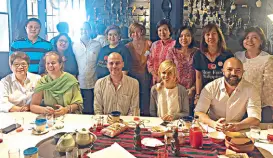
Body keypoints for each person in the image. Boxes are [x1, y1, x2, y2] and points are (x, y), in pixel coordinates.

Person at [194, 58, 261, 132]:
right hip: (213, 129)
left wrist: (237, 126)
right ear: (223, 71)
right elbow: (198, 113)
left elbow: (255, 119)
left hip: (238, 130)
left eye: (238, 70)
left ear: (243, 72)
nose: (233, 73)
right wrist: (213, 124)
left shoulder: (251, 89)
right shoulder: (210, 87)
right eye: (229, 69)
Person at [235, 27, 273, 123]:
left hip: (261, 107)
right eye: (247, 37)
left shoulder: (267, 59)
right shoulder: (237, 56)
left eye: (254, 37)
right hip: (239, 105)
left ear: (261, 41)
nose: (249, 40)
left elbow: (269, 88)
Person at [30, 52, 83, 117]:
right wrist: (44, 110)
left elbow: (78, 104)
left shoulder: (71, 80)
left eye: (53, 63)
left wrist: (66, 109)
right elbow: (33, 106)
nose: (50, 65)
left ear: (60, 65)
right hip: (50, 118)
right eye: (48, 63)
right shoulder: (43, 82)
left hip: (69, 117)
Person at [193, 24, 233, 104]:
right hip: (205, 92)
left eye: (214, 34)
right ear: (204, 37)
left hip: (222, 94)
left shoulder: (227, 54)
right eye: (207, 34)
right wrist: (198, 95)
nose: (211, 37)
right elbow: (198, 77)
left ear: (219, 36)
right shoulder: (198, 55)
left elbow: (230, 77)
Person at [166, 26, 198, 115]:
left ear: (192, 37)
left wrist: (193, 88)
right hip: (176, 91)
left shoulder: (197, 52)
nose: (184, 38)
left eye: (187, 35)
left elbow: (200, 74)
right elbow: (168, 71)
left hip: (193, 92)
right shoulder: (172, 51)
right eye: (181, 36)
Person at [73, 22, 101, 114]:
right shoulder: (74, 45)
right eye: (82, 29)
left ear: (90, 30)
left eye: (86, 29)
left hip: (93, 81)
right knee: (79, 107)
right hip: (78, 82)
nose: (84, 31)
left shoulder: (97, 45)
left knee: (92, 107)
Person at [125, 22, 152, 116]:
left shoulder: (148, 44)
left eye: (138, 31)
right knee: (134, 96)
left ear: (142, 31)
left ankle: (145, 116)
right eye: (133, 32)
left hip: (145, 75)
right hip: (132, 75)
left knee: (145, 96)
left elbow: (150, 58)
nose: (135, 34)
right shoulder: (127, 47)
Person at [147, 19, 176, 85]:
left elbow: (175, 64)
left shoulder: (175, 45)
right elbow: (149, 61)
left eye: (165, 30)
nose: (162, 32)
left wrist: (162, 77)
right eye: (160, 30)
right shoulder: (154, 44)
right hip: (155, 80)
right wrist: (155, 76)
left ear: (170, 31)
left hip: (169, 80)